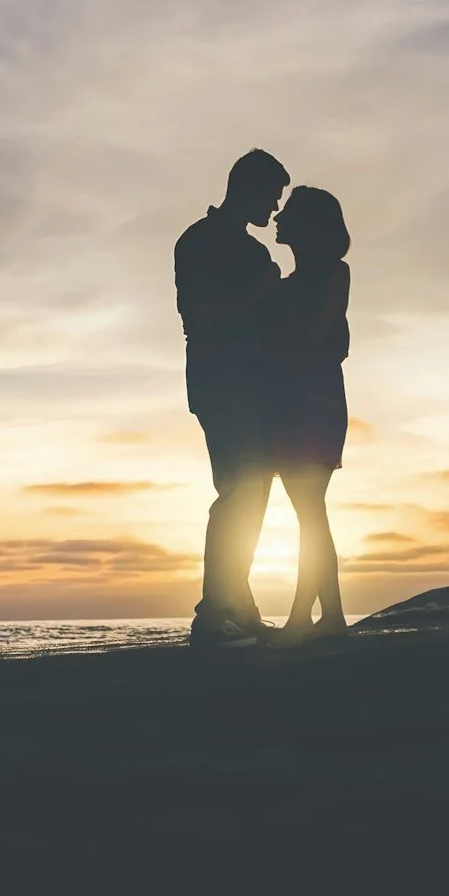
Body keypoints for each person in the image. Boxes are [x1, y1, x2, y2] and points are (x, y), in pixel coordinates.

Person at [174, 149, 289, 647]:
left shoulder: (253, 251)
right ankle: (214, 611)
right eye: (272, 196)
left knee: (253, 493)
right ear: (248, 188)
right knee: (237, 491)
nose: (276, 209)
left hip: (253, 386)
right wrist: (264, 293)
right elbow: (199, 315)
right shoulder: (199, 242)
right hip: (222, 384)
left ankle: (237, 606)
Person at [263, 185, 352, 648]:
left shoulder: (334, 274)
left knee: (310, 511)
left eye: (289, 213)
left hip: (314, 405)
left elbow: (320, 335)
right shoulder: (284, 284)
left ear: (310, 225)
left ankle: (308, 616)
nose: (278, 218)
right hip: (291, 405)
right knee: (309, 513)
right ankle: (328, 614)